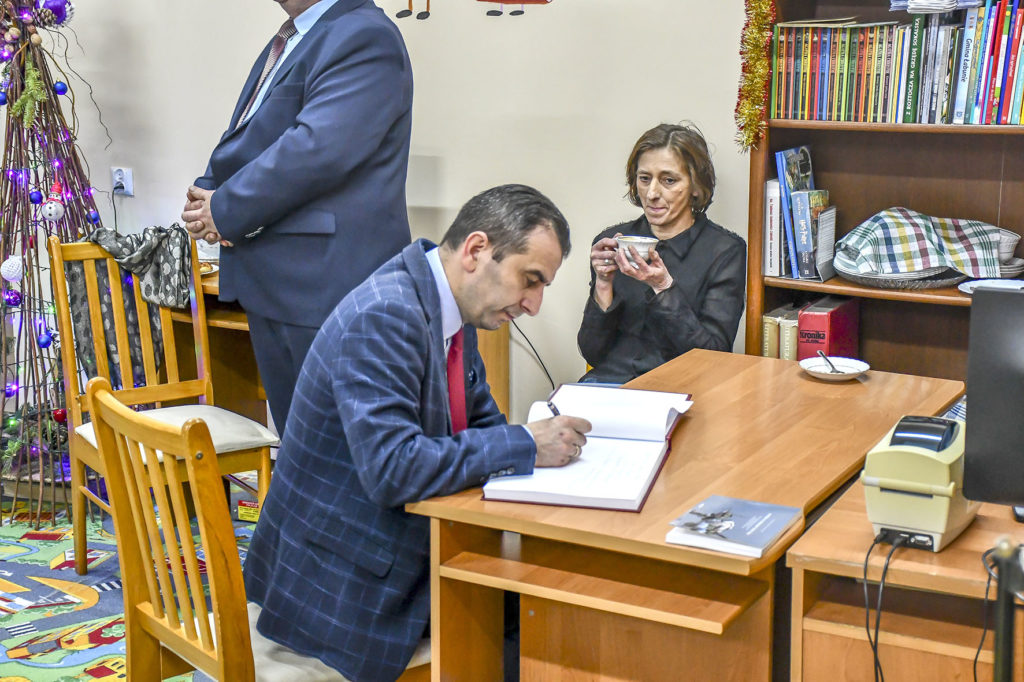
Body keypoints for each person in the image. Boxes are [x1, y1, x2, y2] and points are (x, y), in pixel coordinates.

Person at [243, 184, 592, 681]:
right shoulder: (384, 315)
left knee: (547, 600)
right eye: (530, 280)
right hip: (341, 585)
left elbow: (482, 423)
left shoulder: (451, 308)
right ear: (476, 250)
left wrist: (536, 455)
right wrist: (526, 443)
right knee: (544, 621)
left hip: (387, 545)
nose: (533, 304)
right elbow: (394, 469)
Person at [180, 0, 413, 433]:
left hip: (326, 287)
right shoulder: (295, 35)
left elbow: (315, 150)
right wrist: (209, 191)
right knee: (300, 447)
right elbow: (251, 134)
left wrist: (225, 208)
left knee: (335, 451)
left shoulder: (365, 35)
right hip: (280, 283)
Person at [577, 123, 746, 384]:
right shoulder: (612, 241)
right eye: (645, 179)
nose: (652, 193)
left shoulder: (725, 251)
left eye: (669, 180)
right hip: (609, 384)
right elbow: (593, 353)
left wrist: (664, 287)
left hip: (681, 389)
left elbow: (713, 357)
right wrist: (602, 284)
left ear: (696, 187)